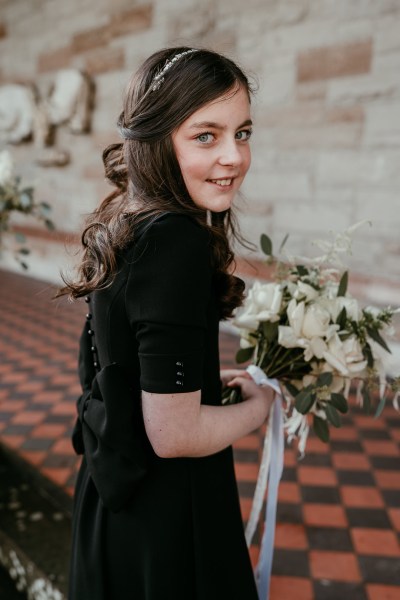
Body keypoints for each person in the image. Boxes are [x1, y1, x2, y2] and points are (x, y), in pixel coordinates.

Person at [61, 46, 274, 600]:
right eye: (206, 136)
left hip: (115, 498)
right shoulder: (173, 239)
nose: (234, 156)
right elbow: (175, 435)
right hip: (168, 516)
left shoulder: (130, 217)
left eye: (243, 132)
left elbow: (125, 359)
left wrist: (195, 381)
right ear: (156, 140)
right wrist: (261, 406)